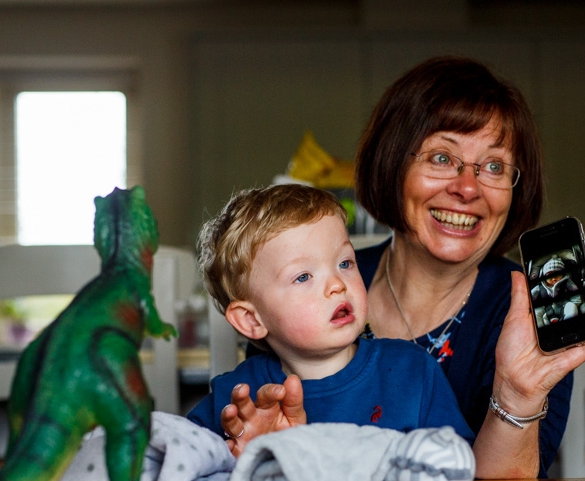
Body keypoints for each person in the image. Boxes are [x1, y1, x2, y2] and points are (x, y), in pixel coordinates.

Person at [349, 55, 585, 477]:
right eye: (441, 158)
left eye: (493, 166)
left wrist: (517, 393)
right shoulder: (315, 281)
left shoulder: (528, 316)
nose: (468, 188)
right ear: (392, 162)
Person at [185, 184, 474, 456]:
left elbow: (457, 470)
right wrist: (237, 463)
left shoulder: (413, 373)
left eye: (345, 263)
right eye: (303, 276)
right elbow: (174, 467)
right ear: (251, 320)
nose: (337, 283)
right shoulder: (238, 400)